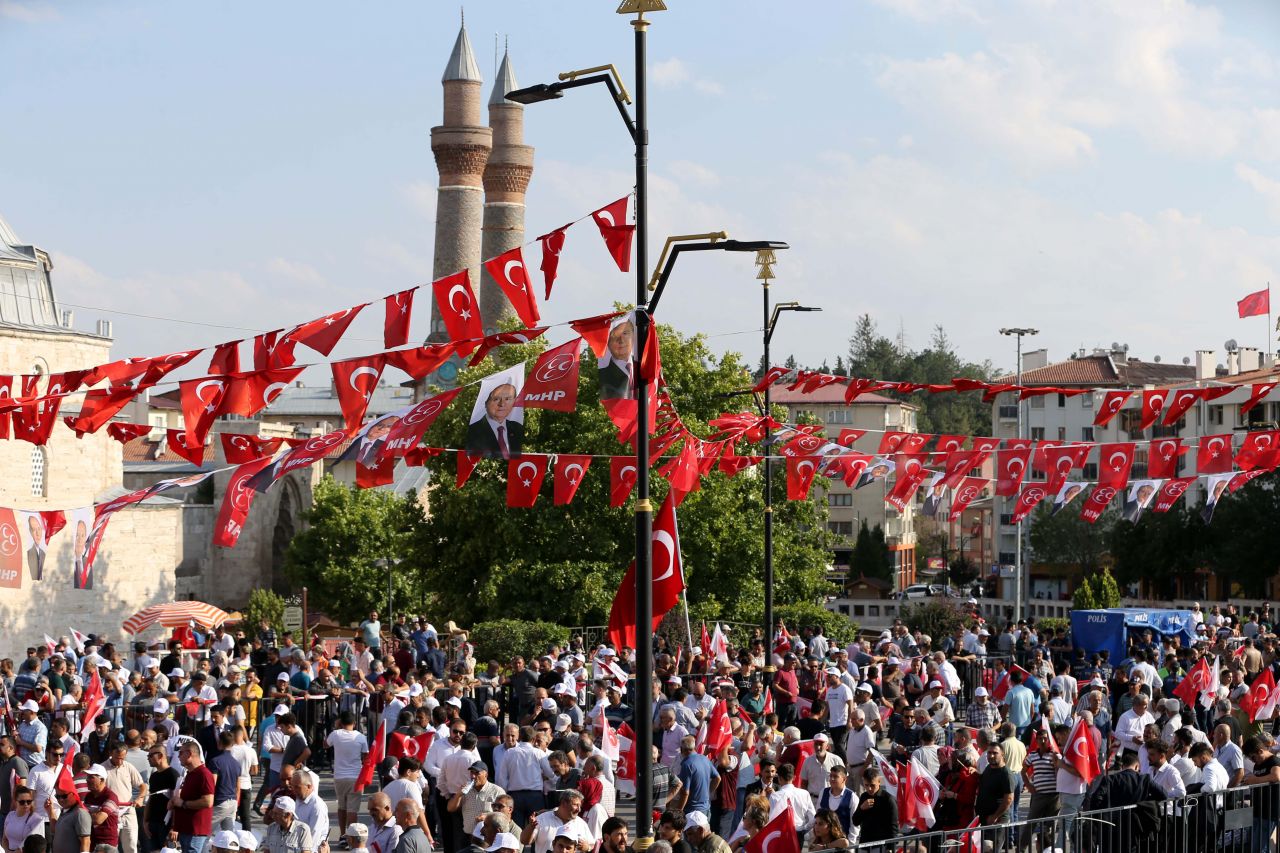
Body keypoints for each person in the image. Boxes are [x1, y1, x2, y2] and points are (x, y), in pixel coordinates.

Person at [324, 713, 368, 841]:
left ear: (341, 722)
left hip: (339, 777)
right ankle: (351, 837)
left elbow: (325, 744)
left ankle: (343, 834)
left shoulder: (335, 734)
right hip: (356, 777)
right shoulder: (361, 737)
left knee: (341, 807)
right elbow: (366, 756)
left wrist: (336, 727)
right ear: (354, 723)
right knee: (352, 809)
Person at [168, 742, 214, 853]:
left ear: (189, 754)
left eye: (180, 753)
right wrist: (175, 801)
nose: (178, 756)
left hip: (195, 831)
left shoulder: (204, 774)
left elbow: (208, 801)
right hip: (187, 829)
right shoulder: (190, 774)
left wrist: (183, 803)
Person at [465, 383, 523, 460]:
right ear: (486, 403)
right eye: (496, 399)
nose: (502, 404)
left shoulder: (518, 428)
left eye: (507, 399)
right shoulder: (472, 430)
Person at [675, 738, 719, 820]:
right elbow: (717, 778)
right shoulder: (704, 759)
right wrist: (708, 793)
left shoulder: (687, 764)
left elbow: (685, 792)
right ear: (694, 747)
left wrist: (678, 812)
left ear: (681, 749)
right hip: (706, 808)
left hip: (692, 812)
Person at [144, 746, 178, 853]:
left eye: (150, 755)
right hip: (153, 823)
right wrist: (145, 821)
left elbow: (176, 802)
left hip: (166, 825)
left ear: (160, 756)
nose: (148, 758)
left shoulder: (173, 775)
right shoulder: (154, 776)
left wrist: (174, 827)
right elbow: (151, 799)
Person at [849, 769, 895, 844]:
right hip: (865, 843)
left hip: (881, 844)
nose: (869, 788)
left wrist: (890, 847)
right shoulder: (864, 796)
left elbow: (893, 826)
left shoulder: (888, 799)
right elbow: (855, 821)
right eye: (866, 785)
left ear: (879, 782)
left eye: (872, 785)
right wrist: (861, 809)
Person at [975, 744, 1014, 828]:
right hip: (984, 818)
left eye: (995, 753)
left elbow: (1009, 799)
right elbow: (985, 781)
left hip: (996, 821)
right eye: (989, 753)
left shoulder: (1006, 774)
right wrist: (975, 773)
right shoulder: (989, 767)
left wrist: (994, 816)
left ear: (1002, 754)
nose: (991, 756)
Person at [597, 319, 635, 400]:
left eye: (625, 333)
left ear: (633, 336)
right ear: (608, 342)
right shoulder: (605, 374)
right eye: (615, 335)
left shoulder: (644, 365)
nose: (621, 340)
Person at [50, 786, 90, 853]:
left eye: (64, 796)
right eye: (57, 796)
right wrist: (49, 811)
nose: (61, 800)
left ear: (73, 793)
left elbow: (85, 841)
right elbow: (56, 830)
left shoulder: (80, 813)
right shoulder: (64, 810)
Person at [3, 787, 42, 853]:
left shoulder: (35, 818)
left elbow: (35, 844)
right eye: (22, 802)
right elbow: (4, 839)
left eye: (29, 801)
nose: (26, 804)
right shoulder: (10, 815)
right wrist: (7, 851)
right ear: (15, 802)